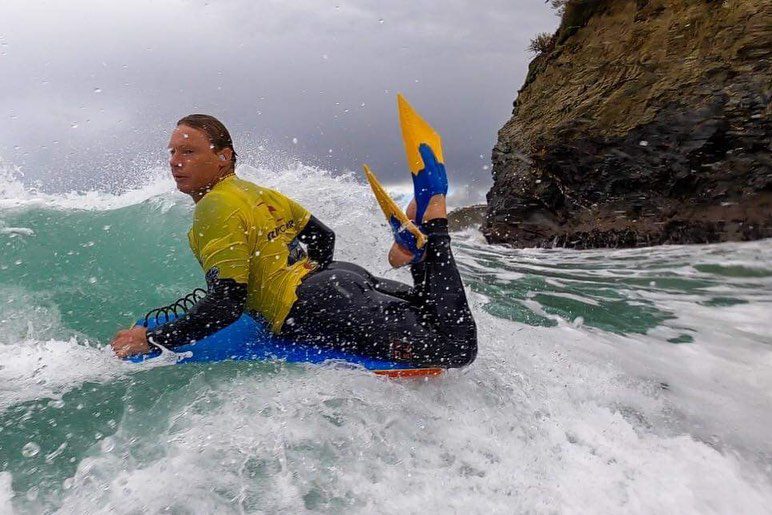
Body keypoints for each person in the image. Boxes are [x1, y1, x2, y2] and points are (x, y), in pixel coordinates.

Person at [110, 108, 477, 368]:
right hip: (340, 280)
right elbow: (323, 238)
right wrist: (311, 278)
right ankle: (417, 252)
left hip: (311, 307)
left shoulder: (213, 208)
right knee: (433, 312)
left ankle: (434, 224)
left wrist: (153, 339)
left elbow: (227, 303)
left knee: (455, 347)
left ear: (223, 157)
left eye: (188, 151)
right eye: (173, 152)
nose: (176, 161)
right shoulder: (256, 192)